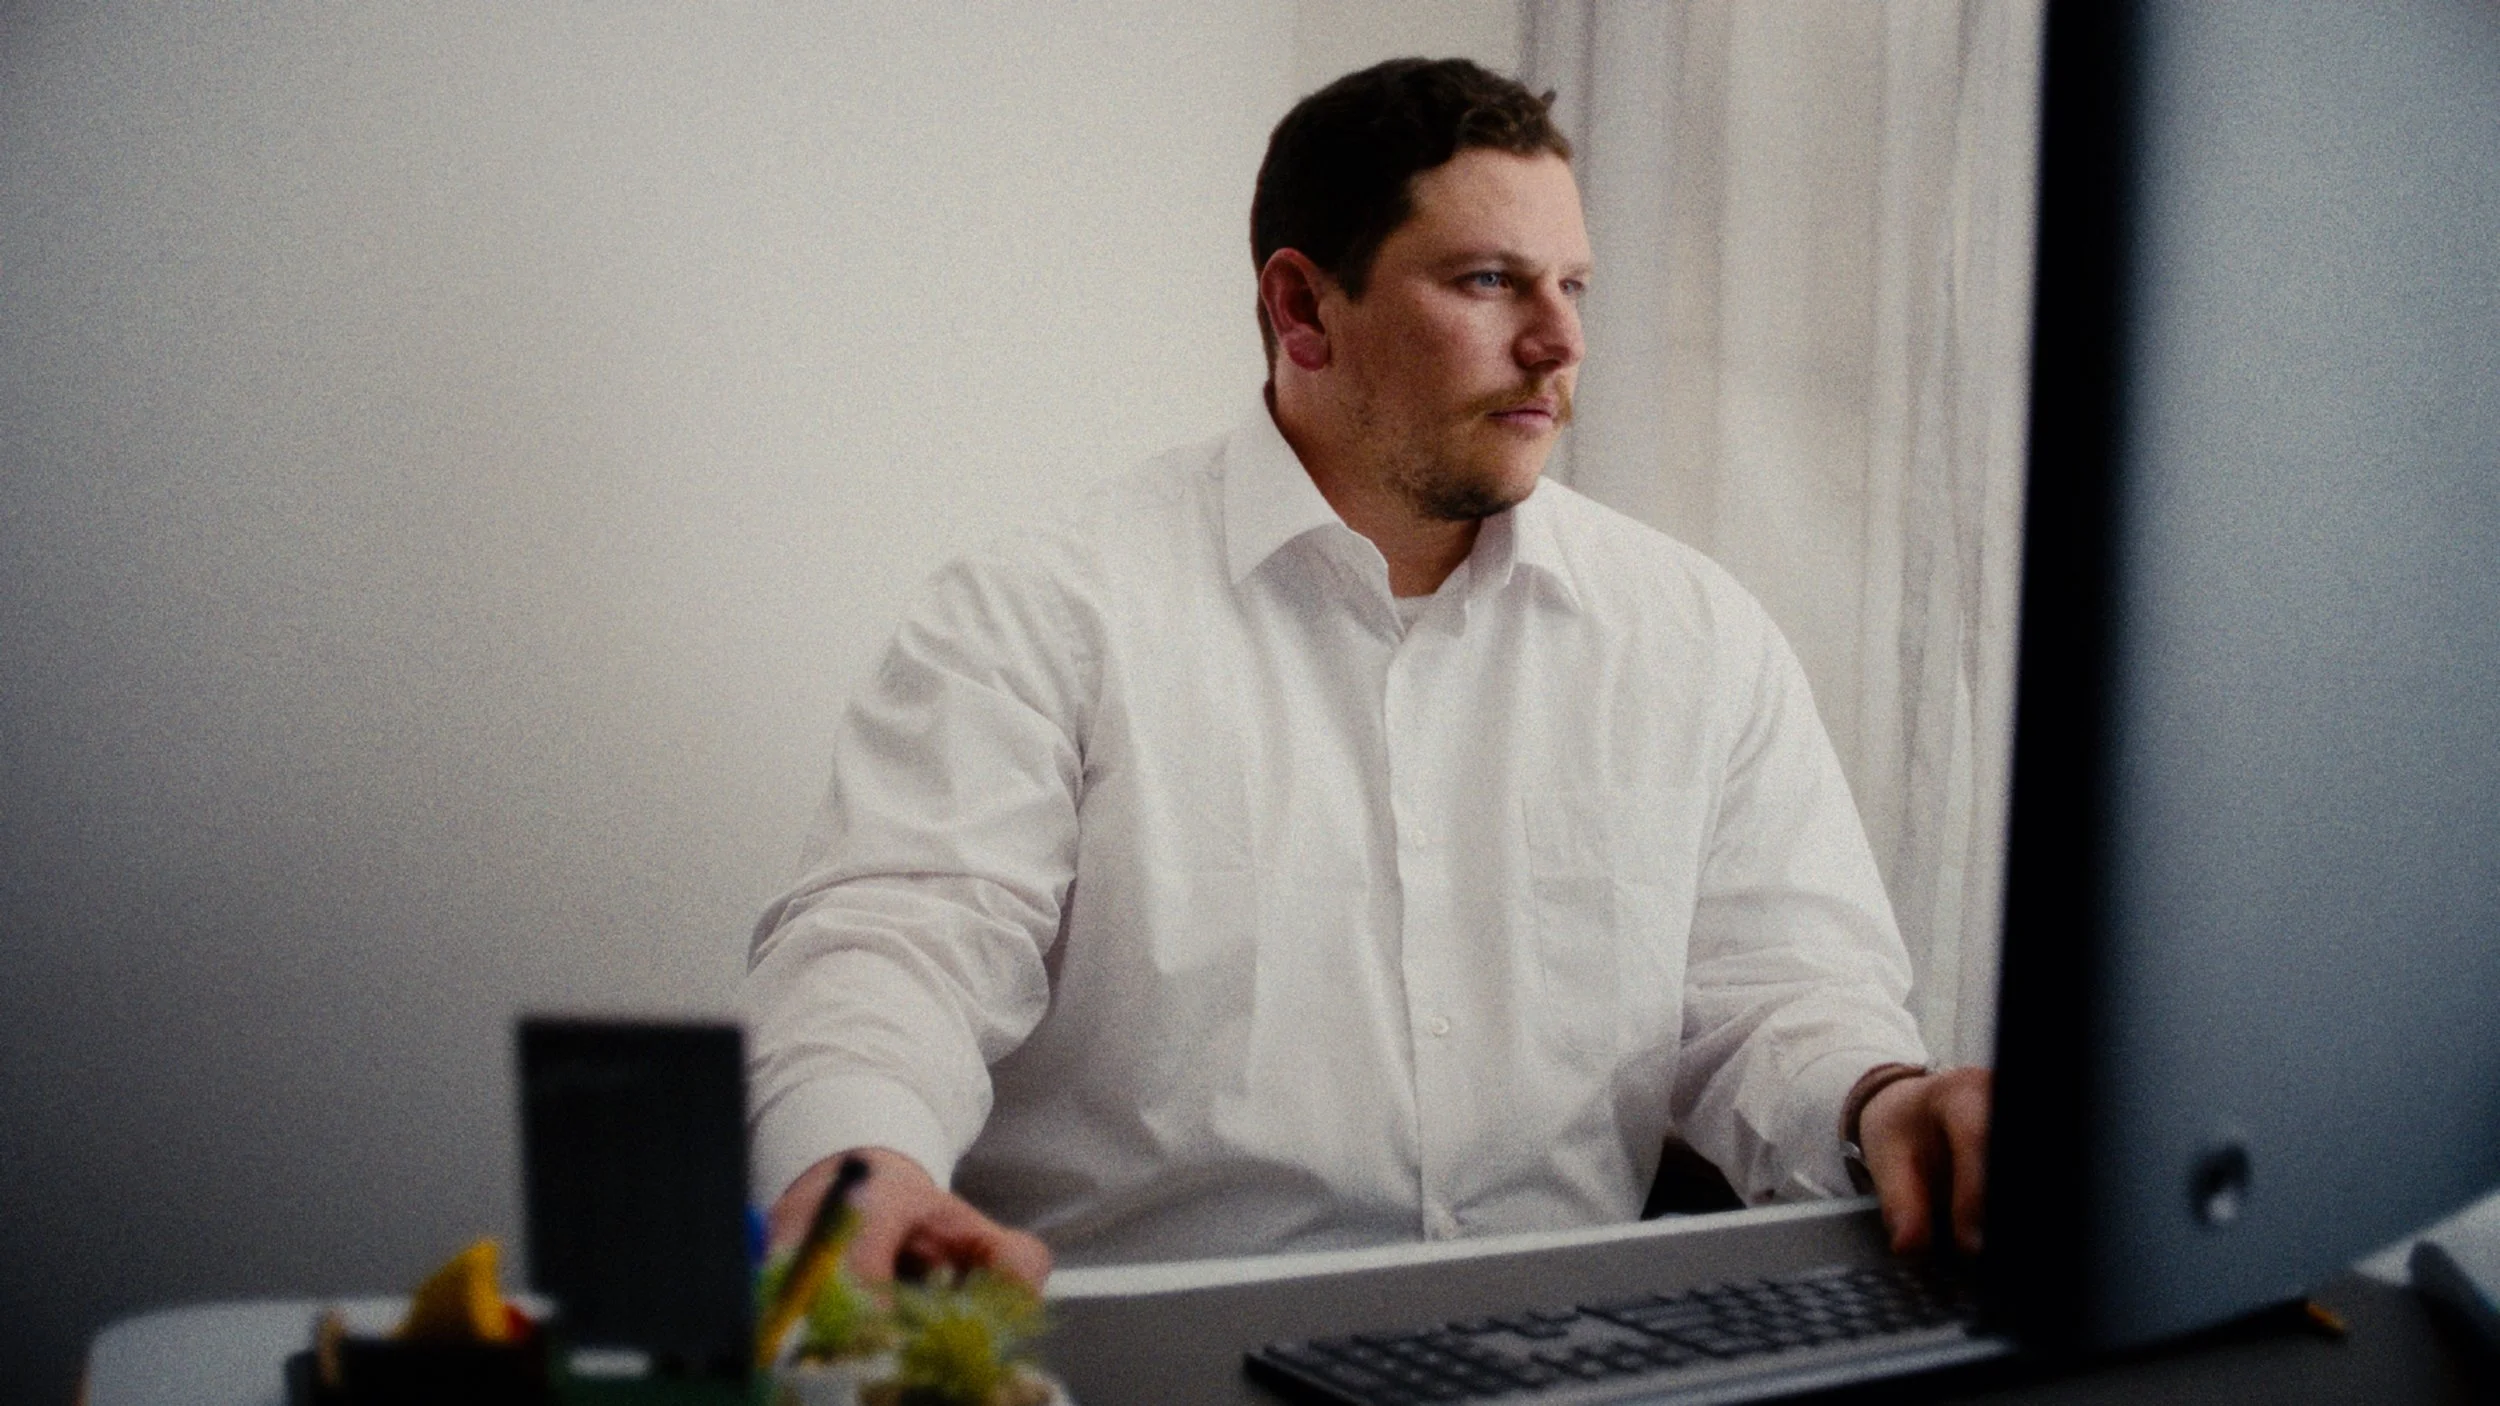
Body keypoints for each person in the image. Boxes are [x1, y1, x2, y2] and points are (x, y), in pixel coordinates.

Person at [744, 58, 1990, 1292]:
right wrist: (857, 1167)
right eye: (1490, 281)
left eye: (1573, 284)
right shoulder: (1041, 616)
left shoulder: (1693, 635)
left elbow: (1774, 994)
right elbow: (895, 944)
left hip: (1568, 1359)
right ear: (1301, 309)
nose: (1559, 340)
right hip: (1157, 1365)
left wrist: (1879, 1100)